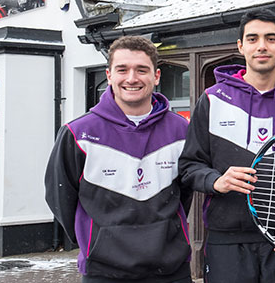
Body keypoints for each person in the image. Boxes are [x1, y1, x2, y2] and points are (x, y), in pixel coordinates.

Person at [179, 9, 275, 283]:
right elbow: (188, 167)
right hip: (226, 241)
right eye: (252, 39)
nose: (262, 46)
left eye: (270, 38)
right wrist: (215, 180)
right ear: (240, 46)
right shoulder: (212, 100)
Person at [45, 36, 193, 283]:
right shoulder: (77, 133)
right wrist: (94, 241)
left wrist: (169, 232)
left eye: (142, 70)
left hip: (171, 270)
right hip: (103, 272)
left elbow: (185, 192)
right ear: (109, 75)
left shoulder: (181, 130)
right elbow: (60, 196)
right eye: (122, 70)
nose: (132, 78)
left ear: (156, 76)